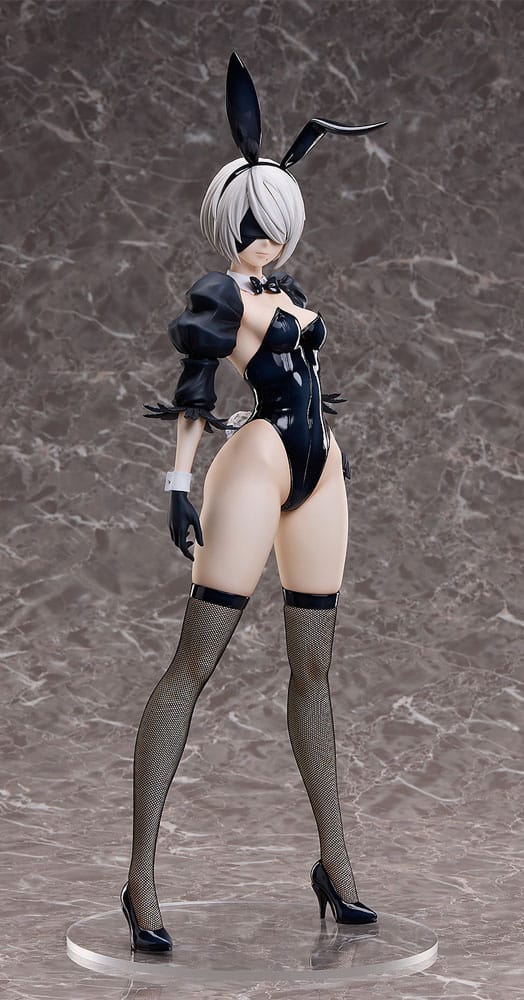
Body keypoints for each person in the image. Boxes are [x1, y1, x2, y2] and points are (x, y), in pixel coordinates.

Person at [120, 52, 387, 952]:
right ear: (228, 221)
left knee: (315, 669)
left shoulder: (291, 293)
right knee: (194, 662)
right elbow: (196, 386)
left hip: (321, 468)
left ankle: (336, 864)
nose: (262, 239)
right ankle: (140, 880)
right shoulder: (219, 293)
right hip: (256, 463)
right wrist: (176, 481)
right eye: (249, 224)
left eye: (273, 224)